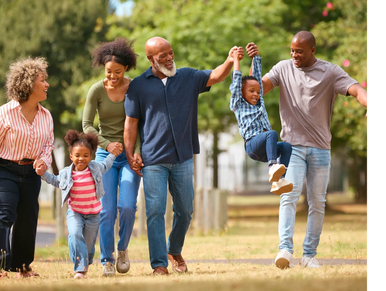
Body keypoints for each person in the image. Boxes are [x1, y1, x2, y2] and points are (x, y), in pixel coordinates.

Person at [246, 31, 370, 269]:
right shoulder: (283, 68)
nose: (294, 55)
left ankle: (309, 255)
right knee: (288, 196)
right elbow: (257, 90)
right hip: (292, 147)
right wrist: (254, 62)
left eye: (299, 51)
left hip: (321, 148)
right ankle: (285, 250)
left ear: (312, 50)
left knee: (317, 202)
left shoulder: (331, 72)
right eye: (292, 50)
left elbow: (357, 91)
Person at [124, 36, 244, 275]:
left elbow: (216, 76)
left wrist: (230, 60)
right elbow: (131, 124)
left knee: (186, 210)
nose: (169, 58)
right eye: (163, 56)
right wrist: (130, 155)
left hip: (183, 157)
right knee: (156, 211)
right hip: (153, 160)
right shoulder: (138, 85)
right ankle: (159, 264)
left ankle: (174, 248)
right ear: (150, 59)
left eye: (171, 53)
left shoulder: (187, 76)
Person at [82, 37, 142, 276]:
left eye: (118, 71)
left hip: (129, 155)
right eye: (109, 72)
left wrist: (135, 151)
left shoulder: (135, 87)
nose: (113, 76)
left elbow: (141, 123)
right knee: (106, 211)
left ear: (126, 67)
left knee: (127, 206)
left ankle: (123, 249)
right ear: (103, 68)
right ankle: (106, 259)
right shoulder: (96, 90)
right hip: (105, 155)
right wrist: (107, 143)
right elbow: (87, 124)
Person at [0, 57, 54, 278]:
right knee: (4, 214)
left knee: (27, 218)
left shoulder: (46, 115)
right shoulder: (4, 113)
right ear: (29, 84)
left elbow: (48, 145)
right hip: (6, 169)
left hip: (31, 172)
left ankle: (22, 266)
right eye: (43, 80)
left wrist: (43, 161)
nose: (47, 84)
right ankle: (1, 263)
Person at [41, 130, 120, 279]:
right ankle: (80, 269)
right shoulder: (66, 173)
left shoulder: (95, 168)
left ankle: (86, 260)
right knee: (75, 234)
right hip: (75, 212)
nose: (81, 159)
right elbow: (54, 180)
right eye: (77, 156)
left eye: (85, 156)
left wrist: (114, 154)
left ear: (90, 156)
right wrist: (43, 173)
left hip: (93, 215)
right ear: (71, 156)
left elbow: (107, 164)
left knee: (88, 246)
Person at [230, 45, 293, 195]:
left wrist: (255, 58)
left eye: (258, 92)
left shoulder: (260, 103)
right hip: (253, 145)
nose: (256, 94)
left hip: (266, 149)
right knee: (271, 133)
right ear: (241, 92)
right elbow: (236, 81)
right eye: (251, 91)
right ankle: (272, 167)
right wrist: (236, 60)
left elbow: (257, 79)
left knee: (286, 147)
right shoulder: (238, 104)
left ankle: (279, 180)